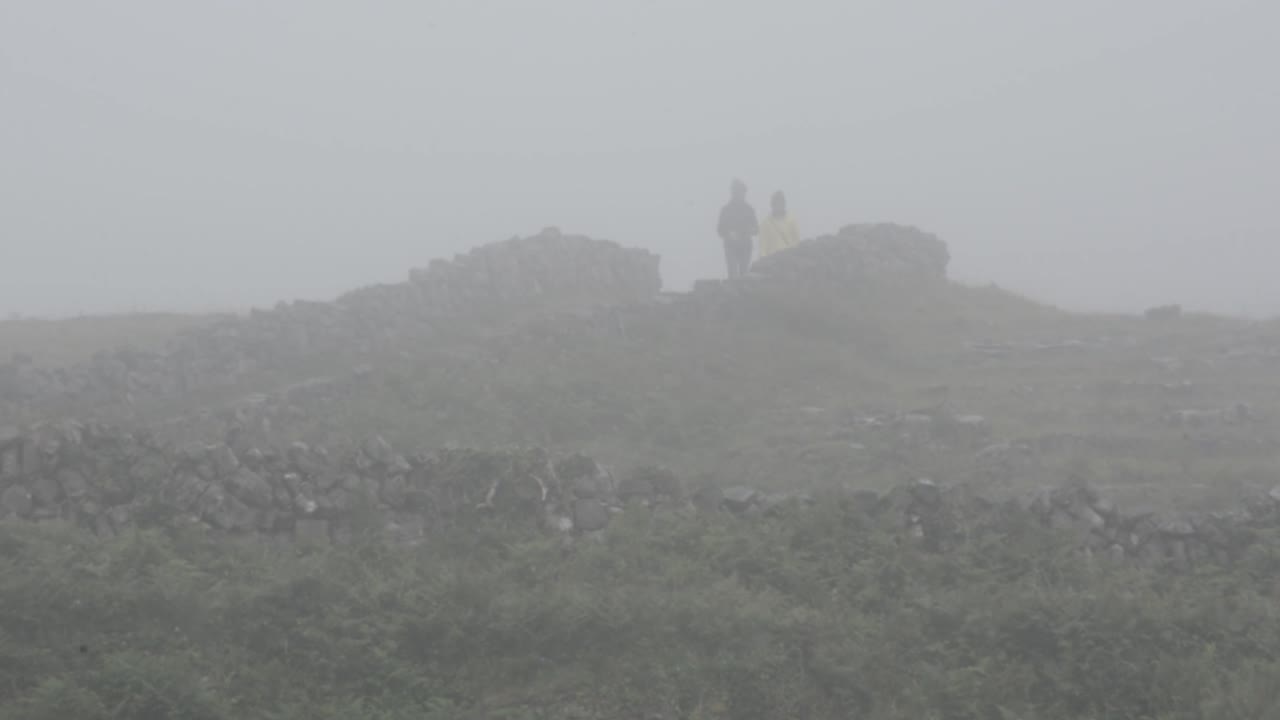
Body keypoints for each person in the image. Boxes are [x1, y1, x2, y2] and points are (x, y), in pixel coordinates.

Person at [717, 179, 758, 279]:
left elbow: (756, 229)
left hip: (745, 247)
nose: (740, 194)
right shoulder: (726, 210)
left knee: (744, 275)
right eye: (737, 191)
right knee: (732, 274)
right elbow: (720, 229)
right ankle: (733, 294)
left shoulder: (749, 209)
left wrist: (750, 230)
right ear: (733, 193)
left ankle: (742, 294)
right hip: (731, 247)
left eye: (742, 192)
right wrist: (728, 234)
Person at [756, 190, 799, 261]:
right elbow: (763, 243)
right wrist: (763, 258)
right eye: (776, 204)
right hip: (772, 260)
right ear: (772, 205)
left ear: (784, 204)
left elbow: (796, 241)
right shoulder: (766, 223)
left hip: (789, 258)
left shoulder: (792, 221)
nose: (778, 206)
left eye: (781, 203)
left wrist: (795, 255)